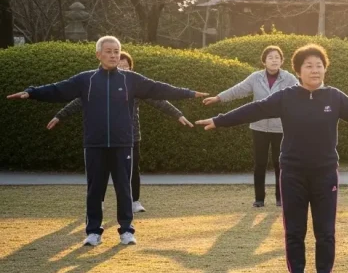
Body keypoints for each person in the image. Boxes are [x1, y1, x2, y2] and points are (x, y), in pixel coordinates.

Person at [196, 44, 348, 273]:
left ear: (325, 69)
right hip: (292, 173)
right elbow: (254, 109)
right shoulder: (286, 97)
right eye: (309, 66)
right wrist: (219, 120)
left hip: (325, 173)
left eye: (319, 65)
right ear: (298, 71)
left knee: (325, 231)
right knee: (294, 231)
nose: (314, 70)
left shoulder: (334, 97)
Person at [7, 36, 205, 247]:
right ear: (98, 55)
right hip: (95, 144)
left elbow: (158, 89)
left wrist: (189, 93)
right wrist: (31, 93)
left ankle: (126, 230)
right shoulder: (86, 80)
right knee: (95, 190)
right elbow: (58, 89)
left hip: (123, 144)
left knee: (124, 189)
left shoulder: (130, 79)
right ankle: (93, 232)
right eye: (109, 51)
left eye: (116, 51)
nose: (113, 55)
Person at [47, 51, 195, 214]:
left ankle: (134, 201)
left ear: (131, 69)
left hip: (131, 137)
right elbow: (79, 101)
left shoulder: (135, 86)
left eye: (127, 67)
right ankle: (98, 201)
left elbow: (159, 100)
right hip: (104, 137)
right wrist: (60, 116)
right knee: (101, 171)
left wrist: (178, 114)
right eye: (120, 66)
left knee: (132, 171)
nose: (124, 69)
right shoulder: (98, 84)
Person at [203, 45, 298, 207]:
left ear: (282, 61)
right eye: (270, 57)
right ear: (264, 61)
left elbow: (300, 95)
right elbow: (238, 90)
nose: (274, 60)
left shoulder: (289, 78)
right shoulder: (256, 78)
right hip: (258, 127)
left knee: (280, 164)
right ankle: (259, 199)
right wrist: (218, 98)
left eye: (277, 57)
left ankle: (280, 198)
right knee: (260, 163)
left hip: (281, 129)